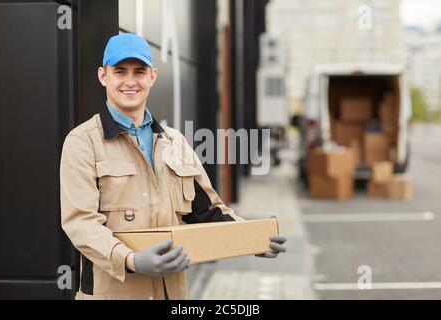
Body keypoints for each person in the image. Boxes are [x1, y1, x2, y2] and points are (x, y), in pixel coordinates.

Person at [60, 33, 287, 300]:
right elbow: (81, 223)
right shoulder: (83, 142)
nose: (130, 81)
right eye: (120, 71)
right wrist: (131, 260)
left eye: (139, 71)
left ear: (152, 76)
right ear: (103, 76)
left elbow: (206, 211)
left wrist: (253, 239)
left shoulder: (174, 141)